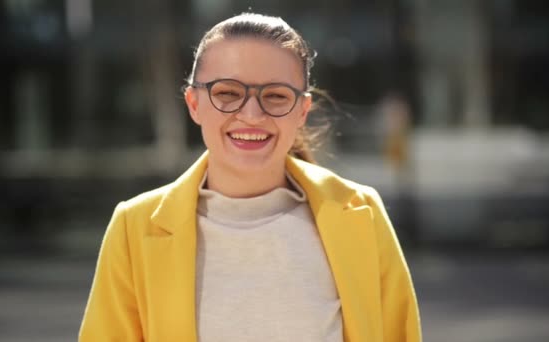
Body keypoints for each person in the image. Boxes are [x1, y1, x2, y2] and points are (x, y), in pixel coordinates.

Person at [79, 12, 421, 342]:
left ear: (302, 111)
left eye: (275, 96)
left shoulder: (361, 214)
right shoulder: (134, 228)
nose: (252, 114)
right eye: (227, 93)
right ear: (193, 103)